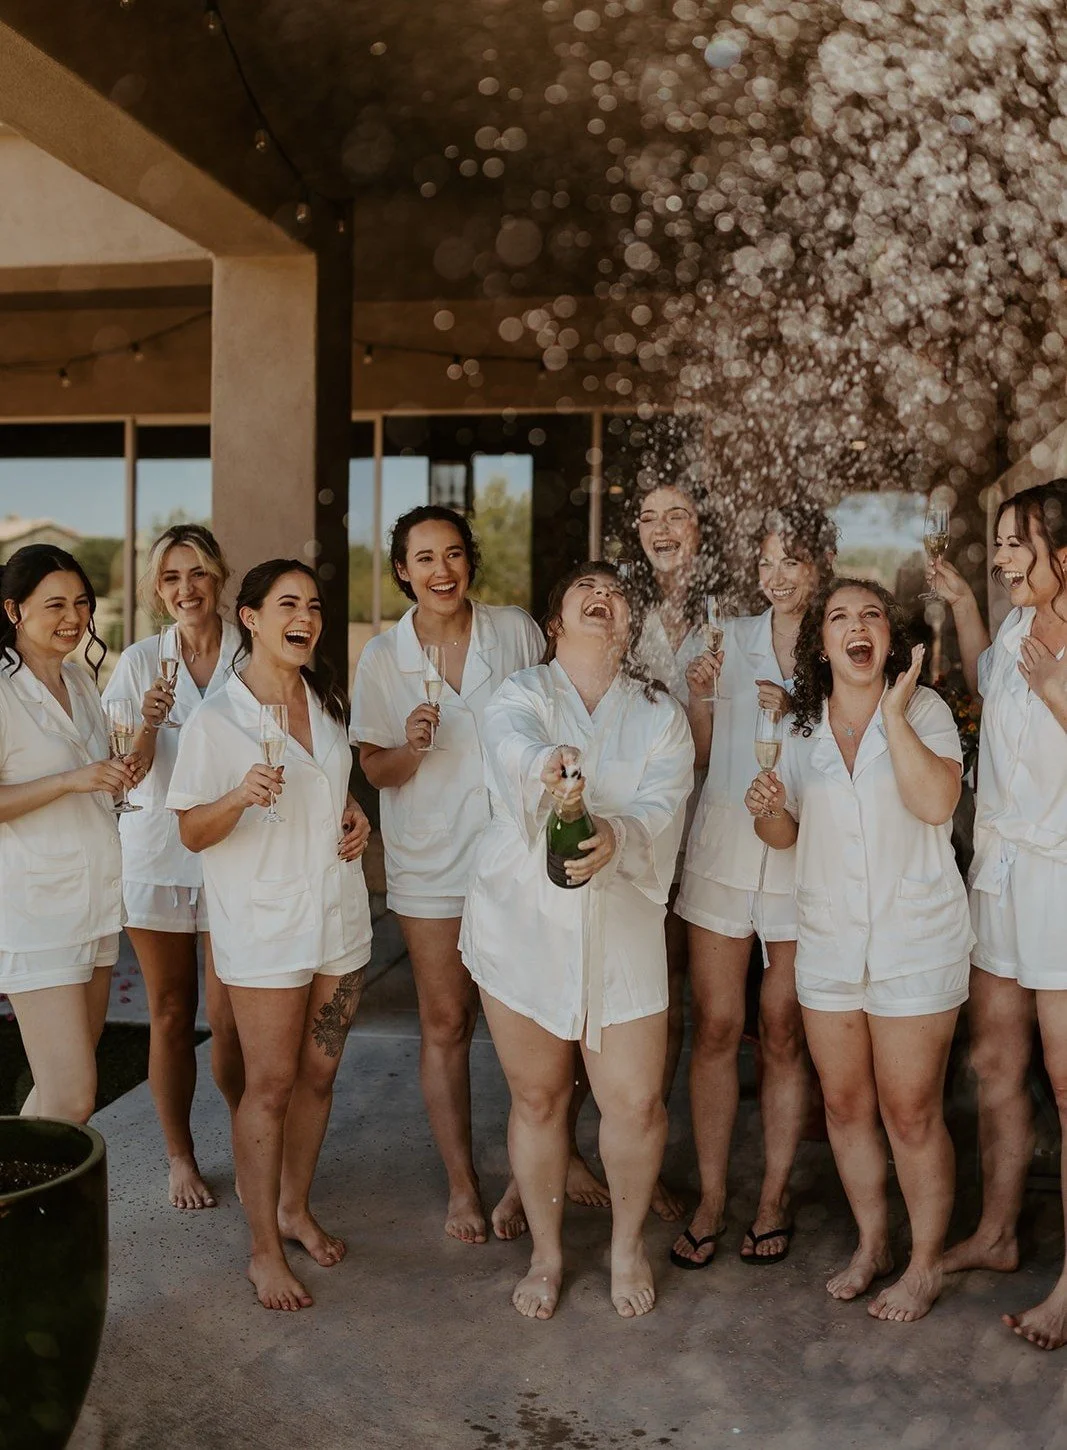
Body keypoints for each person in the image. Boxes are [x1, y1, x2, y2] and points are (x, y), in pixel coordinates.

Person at [459, 561, 694, 1320]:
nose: (603, 597)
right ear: (554, 621)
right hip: (521, 921)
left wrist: (618, 833)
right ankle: (548, 1254)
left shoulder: (658, 714)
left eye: (617, 593)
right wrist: (551, 769)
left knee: (635, 1102)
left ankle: (625, 1247)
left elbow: (662, 805)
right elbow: (512, 746)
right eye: (584, 589)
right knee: (537, 1097)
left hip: (622, 924)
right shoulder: (520, 694)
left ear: (629, 624)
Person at [746, 577, 971, 1322]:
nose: (855, 626)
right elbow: (785, 835)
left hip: (913, 940)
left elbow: (935, 802)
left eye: (870, 614)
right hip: (830, 943)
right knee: (844, 1107)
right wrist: (769, 813)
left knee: (910, 1113)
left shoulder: (928, 712)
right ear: (822, 644)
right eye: (839, 617)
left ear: (887, 637)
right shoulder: (800, 727)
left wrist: (897, 712)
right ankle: (872, 1243)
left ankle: (924, 1263)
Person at [168, 560, 372, 1312]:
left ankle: (294, 1207)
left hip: (338, 918)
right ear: (249, 617)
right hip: (263, 927)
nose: (307, 617)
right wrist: (238, 795)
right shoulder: (216, 720)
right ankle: (261, 1250)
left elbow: (332, 786)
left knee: (319, 1076)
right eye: (289, 604)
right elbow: (190, 829)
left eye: (314, 605)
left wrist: (355, 815)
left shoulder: (325, 699)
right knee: (272, 1084)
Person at [351, 505, 544, 1245]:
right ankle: (463, 1182)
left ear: (470, 561)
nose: (442, 571)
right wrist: (410, 747)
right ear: (402, 570)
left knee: (535, 1018)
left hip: (513, 853)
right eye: (424, 558)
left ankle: (546, 1169)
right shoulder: (381, 659)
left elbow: (549, 724)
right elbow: (375, 768)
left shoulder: (516, 632)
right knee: (446, 1020)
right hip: (430, 861)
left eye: (454, 554)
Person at [671, 504, 836, 1268]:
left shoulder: (837, 641)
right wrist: (701, 696)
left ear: (818, 566)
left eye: (791, 562)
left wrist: (800, 705)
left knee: (780, 1030)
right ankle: (710, 1196)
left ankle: (770, 1195)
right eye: (765, 563)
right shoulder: (723, 640)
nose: (776, 577)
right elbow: (700, 756)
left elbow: (848, 746)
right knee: (712, 1025)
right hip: (721, 852)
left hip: (801, 856)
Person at [932, 480, 1067, 1350]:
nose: (1003, 557)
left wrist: (1060, 692)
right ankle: (997, 1230)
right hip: (1001, 870)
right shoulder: (1019, 624)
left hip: (1060, 879)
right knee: (993, 1060)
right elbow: (988, 684)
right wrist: (961, 610)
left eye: (1017, 542)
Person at [103, 524, 243, 1211]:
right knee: (168, 1011)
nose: (186, 589)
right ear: (157, 592)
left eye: (197, 574)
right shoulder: (138, 662)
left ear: (220, 578)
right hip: (157, 852)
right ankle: (180, 1156)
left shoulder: (250, 651)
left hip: (233, 850)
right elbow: (125, 777)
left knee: (230, 1012)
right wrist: (150, 724)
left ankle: (252, 1144)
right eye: (170, 578)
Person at [0, 544, 136, 1122]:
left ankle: (25, 1202)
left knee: (62, 1094)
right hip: (38, 915)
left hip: (96, 906)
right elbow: (66, 782)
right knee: (72, 1094)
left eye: (81, 602)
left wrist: (116, 774)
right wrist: (72, 780)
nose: (73, 618)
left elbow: (97, 779)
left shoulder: (80, 680)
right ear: (14, 611)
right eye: (54, 604)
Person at [614, 480, 716, 1221]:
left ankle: (650, 1150)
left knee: (676, 994)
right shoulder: (619, 616)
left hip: (713, 829)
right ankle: (604, 1151)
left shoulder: (733, 616)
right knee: (624, 988)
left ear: (702, 529)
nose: (660, 526)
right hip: (638, 828)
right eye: (647, 516)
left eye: (676, 513)